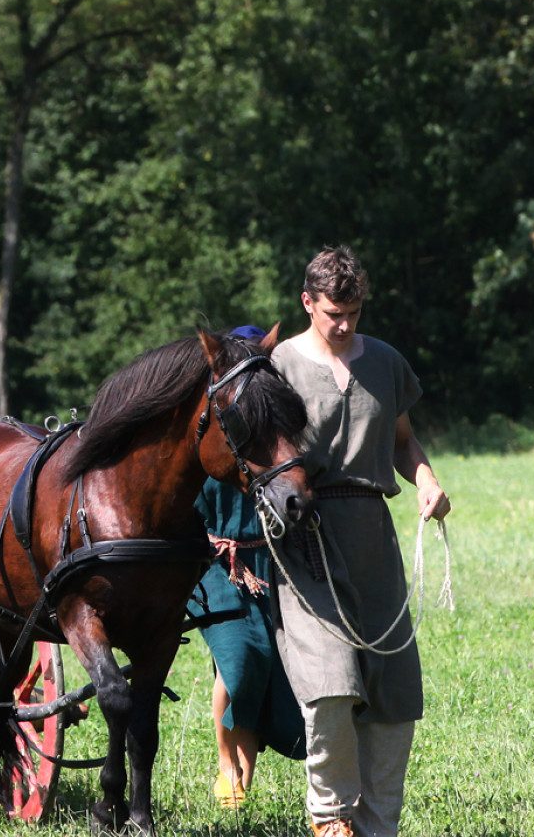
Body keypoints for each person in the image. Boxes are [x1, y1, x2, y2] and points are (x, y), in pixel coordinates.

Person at [270, 247, 450, 837]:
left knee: (392, 691)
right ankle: (331, 819)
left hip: (374, 535)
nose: (344, 325)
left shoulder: (387, 363)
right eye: (331, 313)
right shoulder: (279, 367)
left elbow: (403, 440)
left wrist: (424, 479)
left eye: (353, 312)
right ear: (307, 303)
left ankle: (378, 827)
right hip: (306, 540)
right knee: (329, 687)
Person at [188, 325, 306, 811]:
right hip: (214, 563)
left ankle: (244, 779)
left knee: (263, 669)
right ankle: (224, 764)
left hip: (264, 560)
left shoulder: (266, 433)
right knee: (237, 660)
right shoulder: (212, 431)